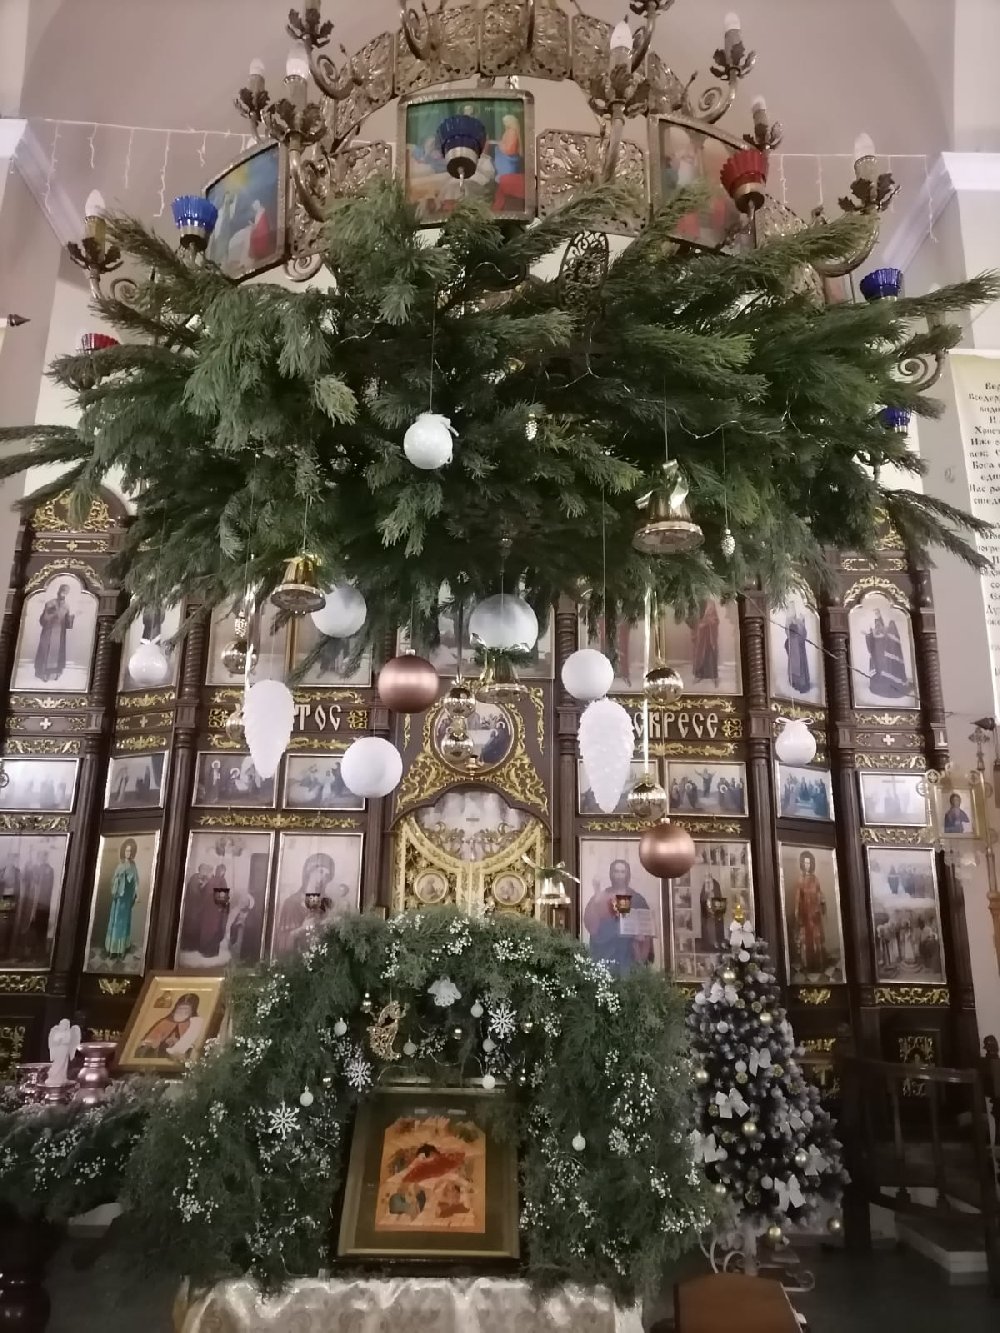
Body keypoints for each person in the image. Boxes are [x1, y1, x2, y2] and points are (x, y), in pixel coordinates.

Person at [584, 859, 655, 974]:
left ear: (627, 874)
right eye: (616, 871)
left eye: (622, 872)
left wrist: (642, 937)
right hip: (608, 949)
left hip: (630, 951)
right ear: (611, 874)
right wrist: (597, 894)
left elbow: (646, 927)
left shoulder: (637, 899)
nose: (619, 875)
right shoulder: (603, 896)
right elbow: (591, 922)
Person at [273, 852, 336, 958]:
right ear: (309, 871)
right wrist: (301, 929)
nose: (322, 878)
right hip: (296, 959)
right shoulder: (291, 903)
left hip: (319, 958)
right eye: (320, 871)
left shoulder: (327, 903)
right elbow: (281, 941)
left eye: (327, 875)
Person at [134, 993, 202, 1059]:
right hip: (158, 1055)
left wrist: (177, 1042)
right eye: (180, 1008)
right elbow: (148, 1042)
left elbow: (194, 1046)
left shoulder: (194, 1025)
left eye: (186, 1009)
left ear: (192, 1011)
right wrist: (155, 1042)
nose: (182, 1012)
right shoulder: (164, 1022)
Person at [104, 839, 139, 960]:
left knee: (125, 922)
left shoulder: (133, 866)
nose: (127, 853)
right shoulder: (120, 865)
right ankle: (113, 950)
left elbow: (136, 881)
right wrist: (119, 878)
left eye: (129, 851)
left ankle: (123, 947)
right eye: (126, 851)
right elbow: (113, 880)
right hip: (120, 897)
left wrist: (136, 894)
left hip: (128, 897)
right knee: (117, 922)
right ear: (123, 851)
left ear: (132, 852)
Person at [865, 609, 912, 698]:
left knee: (884, 667)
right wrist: (868, 635)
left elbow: (882, 632)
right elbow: (873, 637)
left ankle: (888, 682)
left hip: (883, 652)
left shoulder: (885, 629)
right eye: (876, 623)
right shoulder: (877, 629)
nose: (877, 625)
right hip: (878, 652)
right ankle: (881, 681)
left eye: (878, 622)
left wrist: (879, 620)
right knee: (879, 667)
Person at [792, 851, 826, 973]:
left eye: (809, 863)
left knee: (816, 938)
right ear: (802, 864)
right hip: (805, 914)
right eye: (805, 863)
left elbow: (820, 893)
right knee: (806, 939)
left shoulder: (815, 879)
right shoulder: (800, 880)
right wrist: (798, 914)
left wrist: (822, 902)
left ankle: (818, 964)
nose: (807, 865)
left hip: (815, 914)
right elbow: (797, 899)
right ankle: (807, 965)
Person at [34, 584, 75, 683]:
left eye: (66, 592)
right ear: (59, 591)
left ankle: (55, 674)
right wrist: (50, 614)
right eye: (63, 591)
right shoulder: (50, 603)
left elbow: (67, 624)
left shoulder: (66, 606)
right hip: (49, 632)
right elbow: (44, 620)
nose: (63, 594)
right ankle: (42, 674)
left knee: (58, 653)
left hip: (60, 634)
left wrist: (71, 619)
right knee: (46, 651)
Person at [689, 601, 720, 686]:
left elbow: (716, 620)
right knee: (700, 655)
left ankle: (714, 676)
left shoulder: (711, 603)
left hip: (710, 635)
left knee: (712, 654)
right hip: (700, 636)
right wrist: (699, 625)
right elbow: (692, 620)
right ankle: (699, 675)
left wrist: (710, 622)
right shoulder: (696, 602)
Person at [784, 603, 812, 696]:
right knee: (795, 665)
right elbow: (787, 630)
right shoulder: (791, 620)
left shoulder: (799, 620)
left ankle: (802, 683)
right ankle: (796, 683)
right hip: (794, 645)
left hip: (798, 645)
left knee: (800, 664)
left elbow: (803, 632)